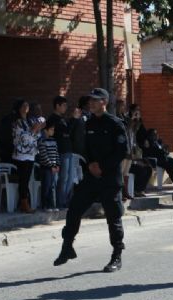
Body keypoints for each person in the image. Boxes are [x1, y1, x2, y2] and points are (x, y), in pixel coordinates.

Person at [53, 88, 127, 273]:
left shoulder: (115, 123)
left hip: (109, 178)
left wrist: (101, 166)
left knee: (113, 217)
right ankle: (67, 247)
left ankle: (116, 255)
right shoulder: (89, 123)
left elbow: (121, 151)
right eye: (90, 100)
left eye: (95, 100)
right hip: (91, 177)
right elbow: (83, 148)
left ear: (104, 102)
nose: (91, 103)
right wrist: (90, 166)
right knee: (74, 208)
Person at [11, 99, 39, 214]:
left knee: (27, 179)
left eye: (27, 105)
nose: (26, 107)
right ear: (19, 108)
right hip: (21, 154)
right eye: (23, 105)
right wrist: (34, 130)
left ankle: (24, 202)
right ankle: (24, 203)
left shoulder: (30, 120)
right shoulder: (17, 122)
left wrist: (37, 130)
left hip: (31, 153)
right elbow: (23, 137)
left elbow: (35, 136)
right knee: (23, 180)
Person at [49, 96, 74, 209]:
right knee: (62, 178)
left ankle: (66, 200)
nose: (65, 108)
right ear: (57, 106)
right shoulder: (52, 119)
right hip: (60, 151)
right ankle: (60, 202)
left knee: (69, 177)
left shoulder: (63, 119)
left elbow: (68, 130)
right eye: (63, 105)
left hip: (68, 150)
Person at [38, 117, 61, 211]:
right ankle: (45, 205)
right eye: (51, 129)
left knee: (52, 187)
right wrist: (51, 165)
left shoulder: (53, 141)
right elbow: (43, 155)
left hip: (54, 167)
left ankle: (52, 205)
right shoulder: (42, 141)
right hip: (46, 168)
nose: (53, 131)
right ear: (45, 130)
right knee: (46, 186)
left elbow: (56, 153)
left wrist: (57, 164)